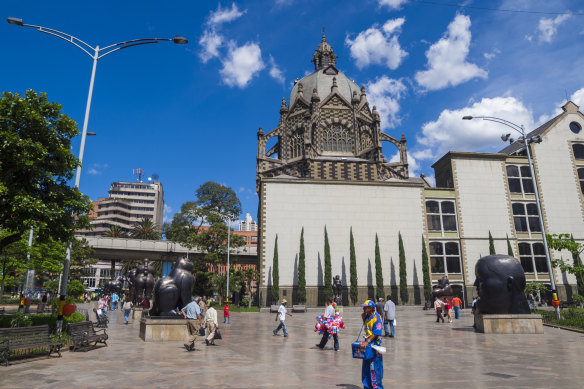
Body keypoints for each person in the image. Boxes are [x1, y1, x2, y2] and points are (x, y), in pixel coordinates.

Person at [360, 300, 384, 389]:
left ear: (370, 308)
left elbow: (376, 332)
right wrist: (363, 319)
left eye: (365, 307)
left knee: (375, 368)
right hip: (367, 347)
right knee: (366, 368)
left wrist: (367, 341)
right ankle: (367, 386)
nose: (363, 308)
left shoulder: (376, 317)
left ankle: (377, 387)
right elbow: (367, 329)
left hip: (374, 347)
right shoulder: (367, 317)